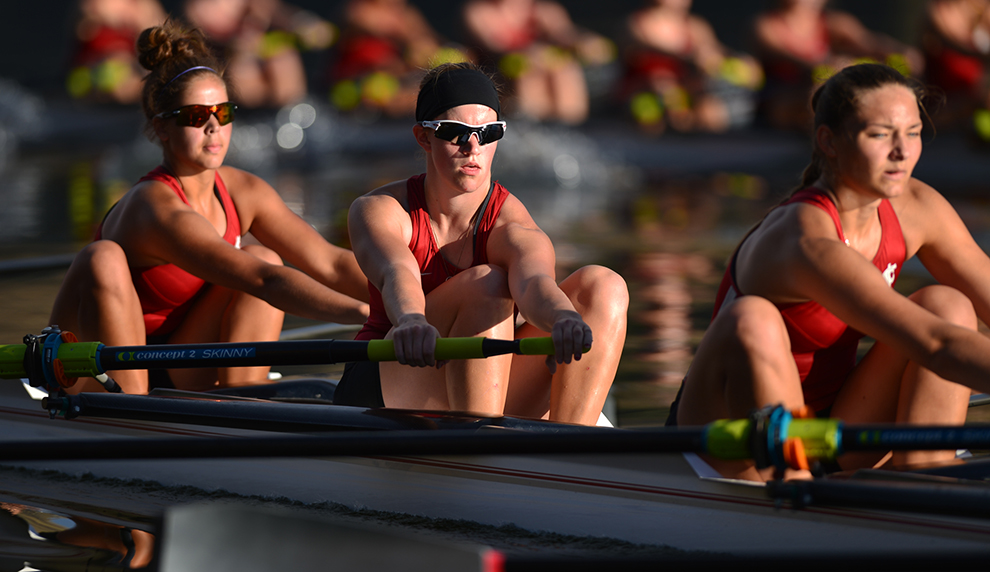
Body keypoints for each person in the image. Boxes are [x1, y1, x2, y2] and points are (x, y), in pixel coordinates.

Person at [666, 63, 990, 481]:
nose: (902, 152)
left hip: (832, 432)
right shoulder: (803, 238)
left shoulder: (919, 208)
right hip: (728, 438)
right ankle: (795, 490)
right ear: (829, 141)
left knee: (948, 305)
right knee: (753, 319)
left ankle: (927, 471)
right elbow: (936, 346)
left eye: (912, 133)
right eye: (879, 134)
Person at [49, 20, 369, 395]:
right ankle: (131, 411)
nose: (214, 127)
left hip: (178, 363)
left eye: (224, 112)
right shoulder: (153, 206)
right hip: (103, 373)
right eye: (196, 117)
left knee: (264, 255)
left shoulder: (242, 190)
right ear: (162, 128)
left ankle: (245, 397)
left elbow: (331, 263)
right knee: (101, 257)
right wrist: (369, 314)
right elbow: (264, 282)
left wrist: (417, 303)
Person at [335, 62, 628, 425]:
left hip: (477, 379)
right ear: (423, 137)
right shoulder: (380, 210)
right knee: (487, 283)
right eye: (455, 131)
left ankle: (571, 445)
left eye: (487, 132)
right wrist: (411, 320)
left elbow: (535, 284)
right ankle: (482, 452)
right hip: (385, 381)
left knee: (604, 286)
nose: (472, 146)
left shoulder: (512, 223)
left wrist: (563, 319)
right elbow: (398, 273)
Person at [752, 0, 925, 131]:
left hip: (821, 93)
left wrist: (900, 52)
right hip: (781, 98)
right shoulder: (767, 26)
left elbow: (869, 43)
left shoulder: (834, 23)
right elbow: (792, 59)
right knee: (820, 90)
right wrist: (828, 65)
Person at [462, 0, 614, 125]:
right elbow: (494, 49)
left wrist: (584, 44)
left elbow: (565, 35)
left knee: (565, 68)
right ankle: (532, 124)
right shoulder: (479, 12)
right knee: (527, 71)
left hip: (544, 74)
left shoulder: (545, 11)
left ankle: (571, 125)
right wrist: (531, 54)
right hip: (502, 78)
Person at [621, 0, 763, 133]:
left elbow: (716, 51)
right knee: (663, 104)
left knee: (710, 113)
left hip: (688, 89)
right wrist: (689, 56)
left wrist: (740, 60)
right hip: (647, 92)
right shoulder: (638, 23)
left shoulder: (695, 26)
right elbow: (645, 48)